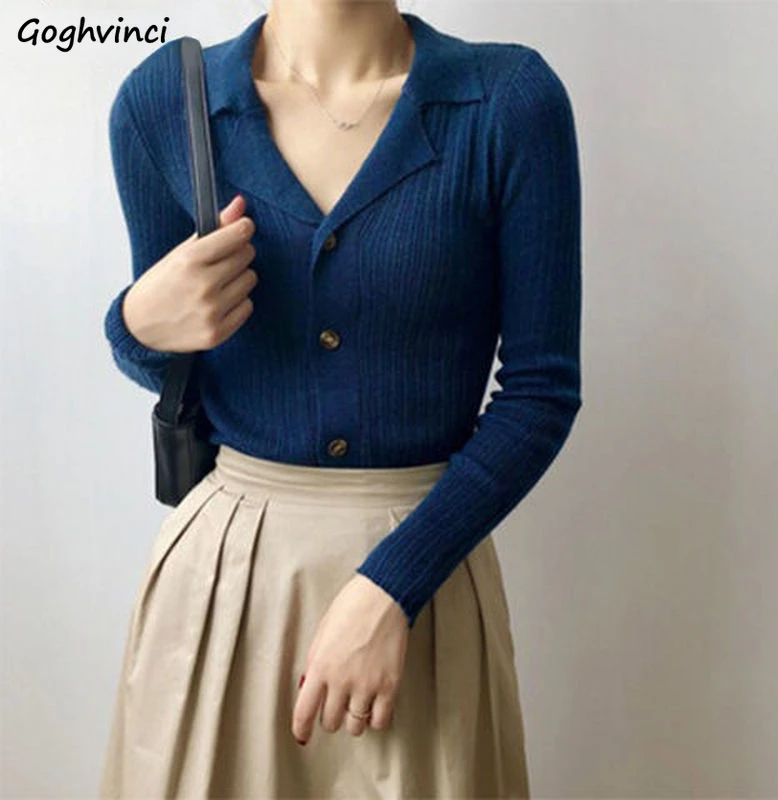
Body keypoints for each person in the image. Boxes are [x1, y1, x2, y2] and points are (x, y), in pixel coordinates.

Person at [99, 0, 582, 796]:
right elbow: (181, 367)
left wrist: (393, 586)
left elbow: (541, 392)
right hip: (226, 586)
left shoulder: (507, 102)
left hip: (423, 576)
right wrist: (133, 325)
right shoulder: (165, 101)